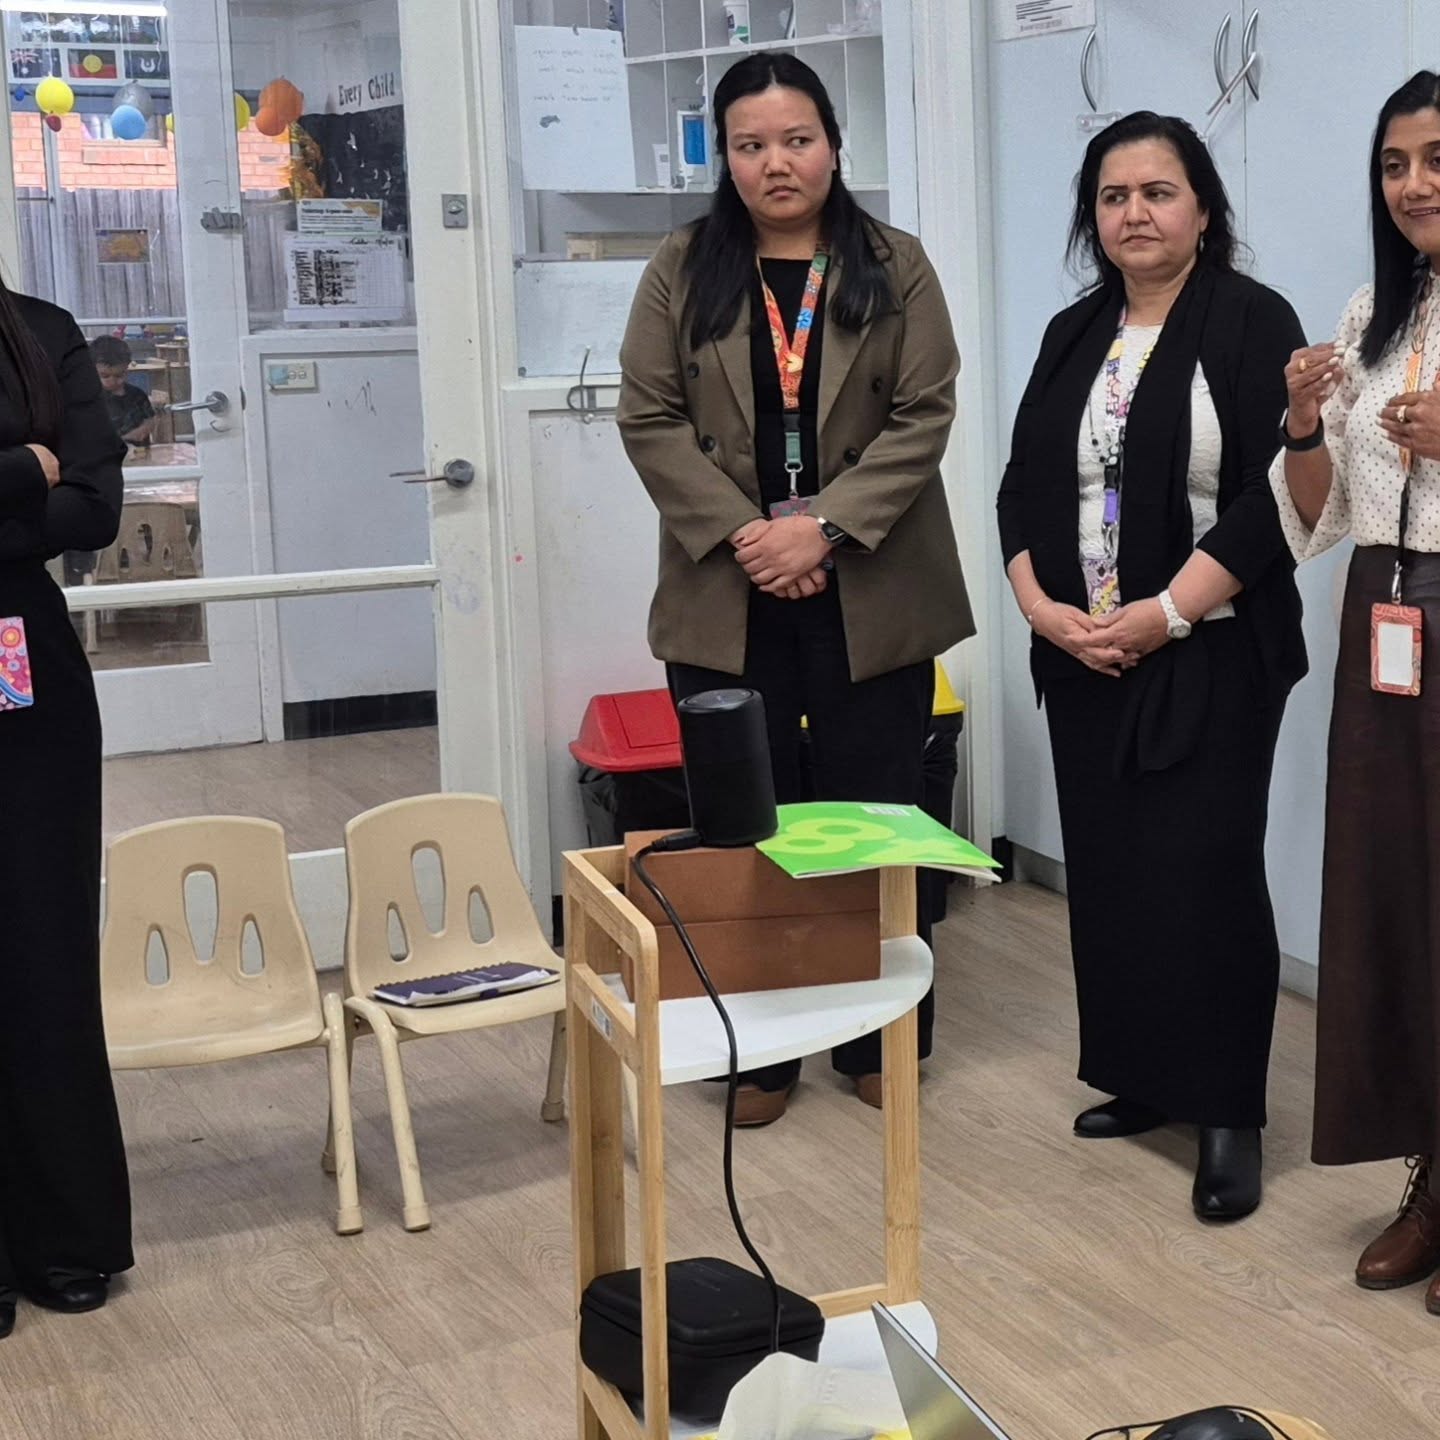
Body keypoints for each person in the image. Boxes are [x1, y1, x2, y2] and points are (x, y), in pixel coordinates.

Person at [618, 52, 972, 1127]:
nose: (776, 162)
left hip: (872, 575)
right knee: (743, 818)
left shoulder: (895, 263)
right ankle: (761, 1051)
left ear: (833, 145)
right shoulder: (682, 266)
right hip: (727, 585)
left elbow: (924, 413)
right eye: (751, 144)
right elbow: (649, 417)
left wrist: (820, 528)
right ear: (724, 157)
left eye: (797, 139)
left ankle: (880, 1035)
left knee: (877, 814)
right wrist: (749, 536)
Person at [996, 112, 1307, 1220]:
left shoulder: (1251, 318)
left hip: (1210, 648)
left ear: (1203, 209)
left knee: (1207, 874)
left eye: (1159, 192)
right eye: (1114, 195)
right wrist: (1044, 612)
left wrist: (1167, 613)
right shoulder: (1072, 331)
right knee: (1114, 870)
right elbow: (1022, 489)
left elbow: (1279, 497)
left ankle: (1226, 1111)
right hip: (1085, 652)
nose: (1135, 213)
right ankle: (1144, 1077)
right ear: (1094, 216)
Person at [1272, 70, 1440, 1312]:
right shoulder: (1373, 309)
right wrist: (1298, 424)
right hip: (1381, 615)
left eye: (1436, 158)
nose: (1415, 184)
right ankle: (1432, 1177)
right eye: (1394, 163)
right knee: (1393, 899)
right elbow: (1319, 515)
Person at [0, 282, 131, 1336]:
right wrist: (16, 473)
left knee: (42, 946)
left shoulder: (41, 333)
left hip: (20, 664)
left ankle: (62, 1234)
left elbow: (91, 509)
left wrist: (43, 486)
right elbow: (44, 492)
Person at [89, 334, 155, 448]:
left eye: (119, 375)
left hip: (138, 453)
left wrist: (143, 430)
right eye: (105, 376)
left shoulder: (137, 396)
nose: (112, 381)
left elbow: (149, 420)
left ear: (127, 368)